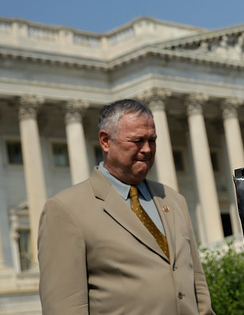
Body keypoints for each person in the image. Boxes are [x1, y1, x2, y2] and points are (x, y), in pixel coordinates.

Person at [38, 99, 214, 315]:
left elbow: (197, 285)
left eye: (152, 140)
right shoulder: (66, 209)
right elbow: (64, 308)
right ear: (105, 141)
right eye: (137, 140)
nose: (147, 149)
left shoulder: (173, 200)